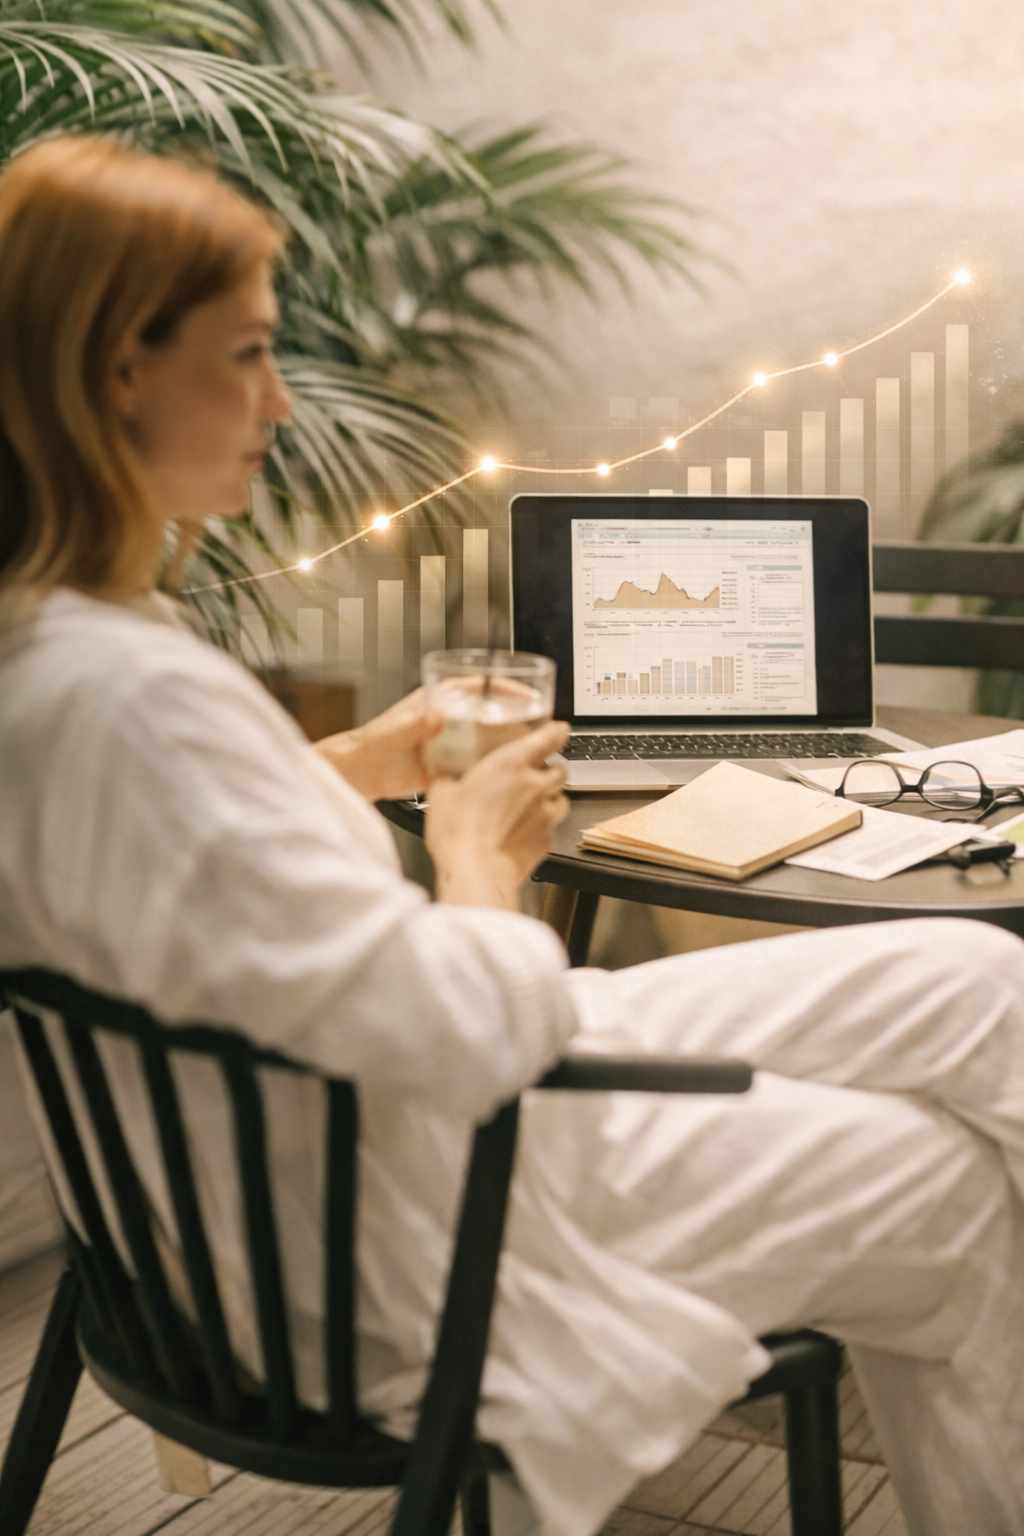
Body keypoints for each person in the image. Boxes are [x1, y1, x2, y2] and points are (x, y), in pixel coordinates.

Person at [1, 135, 1023, 1536]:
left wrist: (361, 758)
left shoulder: (63, 649)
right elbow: (472, 1035)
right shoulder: (137, 697)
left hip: (313, 1161)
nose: (280, 399)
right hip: (411, 1223)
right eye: (244, 355)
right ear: (120, 369)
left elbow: (197, 862)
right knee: (955, 1181)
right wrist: (477, 856)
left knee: (975, 978)